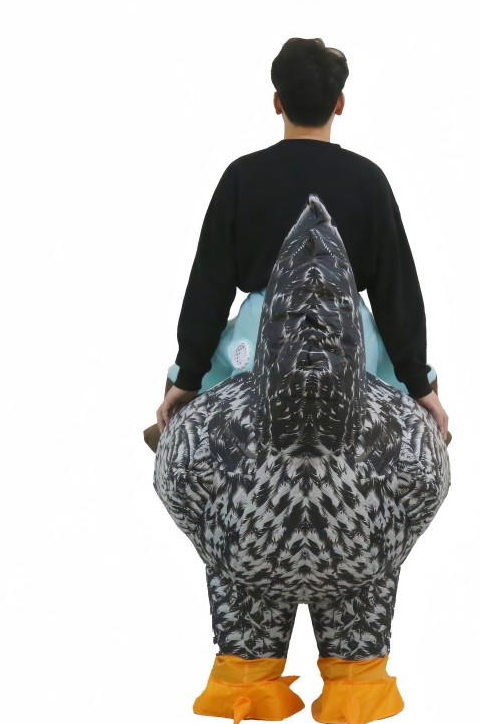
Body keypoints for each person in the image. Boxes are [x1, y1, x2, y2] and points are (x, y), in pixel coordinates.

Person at [156, 37, 449, 442]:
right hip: (350, 339)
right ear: (339, 103)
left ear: (277, 102)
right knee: (413, 407)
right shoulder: (368, 180)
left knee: (188, 403)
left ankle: (175, 445)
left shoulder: (242, 176)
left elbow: (210, 287)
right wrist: (418, 384)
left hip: (261, 336)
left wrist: (186, 378)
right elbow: (395, 293)